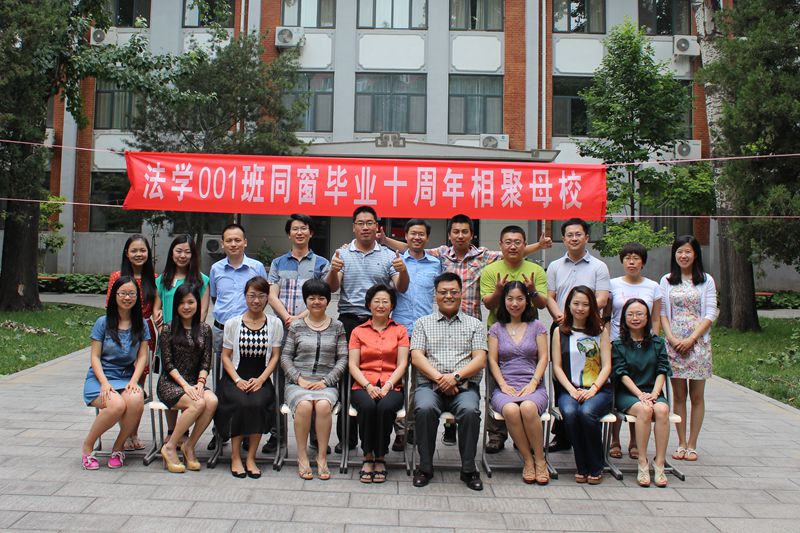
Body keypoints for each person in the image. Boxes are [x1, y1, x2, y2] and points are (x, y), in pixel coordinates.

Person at [382, 214, 551, 451]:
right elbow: (413, 246)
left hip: (470, 327)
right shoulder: (441, 254)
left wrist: (538, 246)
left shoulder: (483, 256)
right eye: (456, 232)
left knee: (467, 377)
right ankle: (416, 428)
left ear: (472, 234)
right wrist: (385, 240)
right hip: (441, 326)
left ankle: (471, 427)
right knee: (426, 378)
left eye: (465, 232)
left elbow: (512, 250)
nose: (460, 236)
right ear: (449, 235)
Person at [326, 206, 409, 453]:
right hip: (349, 321)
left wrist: (403, 270)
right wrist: (333, 269)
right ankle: (347, 438)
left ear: (377, 227)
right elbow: (332, 288)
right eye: (360, 223)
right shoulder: (342, 253)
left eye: (370, 223)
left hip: (380, 323)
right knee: (347, 378)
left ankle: (377, 438)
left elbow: (401, 287)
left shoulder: (388, 255)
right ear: (354, 227)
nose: (365, 227)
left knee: (379, 372)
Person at [410, 272, 487, 491]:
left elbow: (480, 359)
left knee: (470, 411)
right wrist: (440, 379)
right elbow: (417, 357)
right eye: (443, 292)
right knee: (424, 408)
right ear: (435, 295)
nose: (448, 296)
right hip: (429, 386)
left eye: (454, 291)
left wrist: (455, 378)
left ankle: (469, 469)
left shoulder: (475, 324)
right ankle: (424, 467)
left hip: (464, 387)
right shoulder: (422, 323)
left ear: (461, 294)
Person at [266, 213, 330, 454]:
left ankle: (315, 436)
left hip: (311, 329)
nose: (300, 232)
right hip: (283, 329)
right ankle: (277, 435)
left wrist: (300, 318)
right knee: (280, 381)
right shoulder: (278, 263)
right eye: (295, 229)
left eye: (304, 228)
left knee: (311, 377)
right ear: (289, 233)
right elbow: (272, 294)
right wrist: (287, 318)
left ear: (311, 233)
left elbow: (322, 296)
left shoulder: (321, 263)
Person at [545, 218, 610, 453]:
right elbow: (550, 296)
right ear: (563, 239)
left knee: (588, 372)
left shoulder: (599, 267)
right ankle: (563, 435)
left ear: (586, 237)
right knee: (561, 378)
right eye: (569, 235)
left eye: (578, 234)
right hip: (562, 327)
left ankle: (587, 424)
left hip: (590, 329)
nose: (574, 238)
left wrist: (582, 314)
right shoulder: (554, 266)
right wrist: (561, 317)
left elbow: (602, 298)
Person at [207, 223, 268, 451]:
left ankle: (246, 432)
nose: (233, 244)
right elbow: (215, 298)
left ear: (245, 242)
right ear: (222, 244)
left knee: (246, 381)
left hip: (249, 332)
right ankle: (219, 432)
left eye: (237, 240)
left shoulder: (256, 267)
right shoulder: (216, 269)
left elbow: (263, 296)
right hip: (222, 330)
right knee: (221, 384)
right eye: (229, 240)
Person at [214, 276, 282, 479]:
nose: (256, 300)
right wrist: (237, 380)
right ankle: (235, 456)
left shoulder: (274, 323)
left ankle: (251, 457)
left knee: (258, 403)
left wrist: (261, 380)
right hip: (235, 377)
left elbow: (275, 356)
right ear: (245, 297)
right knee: (241, 402)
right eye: (252, 295)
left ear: (267, 298)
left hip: (260, 378)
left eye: (261, 296)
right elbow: (226, 356)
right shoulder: (233, 323)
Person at [281, 279, 348, 480]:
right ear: (305, 301)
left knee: (322, 405)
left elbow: (343, 358)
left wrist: (327, 381)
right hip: (298, 383)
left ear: (328, 301)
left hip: (326, 383)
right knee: (304, 406)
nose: (316, 302)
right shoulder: (296, 327)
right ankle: (302, 456)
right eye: (312, 298)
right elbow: (286, 357)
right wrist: (298, 379)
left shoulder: (337, 326)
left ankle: (321, 457)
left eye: (321, 298)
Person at [660, 235, 718, 463]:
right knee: (678, 395)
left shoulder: (706, 280)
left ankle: (693, 444)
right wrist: (671, 338)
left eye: (688, 252)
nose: (683, 256)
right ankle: (681, 442)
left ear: (695, 254)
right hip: (674, 344)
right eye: (679, 251)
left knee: (696, 396)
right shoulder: (666, 280)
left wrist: (692, 338)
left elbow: (710, 313)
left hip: (698, 344)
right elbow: (662, 313)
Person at [81, 276, 149, 470]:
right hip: (100, 378)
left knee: (135, 399)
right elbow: (95, 357)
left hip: (126, 377)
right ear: (115, 296)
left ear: (137, 297)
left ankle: (118, 448)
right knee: (117, 405)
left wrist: (134, 381)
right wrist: (104, 383)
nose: (127, 297)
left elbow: (142, 357)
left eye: (131, 293)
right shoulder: (103, 322)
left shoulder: (141, 324)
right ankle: (87, 447)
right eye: (123, 293)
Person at [487, 281, 550, 484]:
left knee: (528, 408)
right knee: (511, 410)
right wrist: (503, 385)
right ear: (504, 301)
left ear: (527, 301)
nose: (515, 304)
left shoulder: (537, 326)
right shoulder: (496, 329)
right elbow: (492, 361)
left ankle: (540, 460)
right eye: (510, 299)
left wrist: (533, 383)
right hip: (505, 387)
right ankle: (527, 460)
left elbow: (543, 357)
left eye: (520, 299)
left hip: (533, 385)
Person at [388, 218, 441, 452]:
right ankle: (399, 430)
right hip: (398, 329)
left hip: (424, 331)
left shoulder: (436, 264)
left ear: (427, 238)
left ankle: (412, 427)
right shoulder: (396, 261)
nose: (417, 237)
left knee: (420, 383)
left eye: (421, 234)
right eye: (413, 234)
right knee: (398, 381)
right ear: (406, 236)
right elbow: (396, 288)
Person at [348, 284, 409, 484]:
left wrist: (388, 385)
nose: (381, 305)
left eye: (385, 302)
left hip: (392, 385)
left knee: (385, 407)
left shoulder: (400, 330)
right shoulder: (358, 331)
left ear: (392, 306)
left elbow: (402, 364)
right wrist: (368, 386)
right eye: (377, 301)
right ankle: (367, 456)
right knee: (367, 406)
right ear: (369, 304)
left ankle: (380, 456)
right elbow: (353, 365)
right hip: (363, 385)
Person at [607, 242, 662, 460]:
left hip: (643, 345)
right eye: (627, 258)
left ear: (643, 262)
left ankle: (634, 441)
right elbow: (607, 316)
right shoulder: (612, 284)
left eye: (636, 258)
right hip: (617, 344)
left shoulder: (653, 286)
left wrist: (653, 343)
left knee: (638, 387)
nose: (631, 262)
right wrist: (607, 342)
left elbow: (655, 318)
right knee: (616, 390)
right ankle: (614, 439)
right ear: (622, 261)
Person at [552, 286, 612, 485]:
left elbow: (607, 365)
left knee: (587, 413)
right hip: (570, 390)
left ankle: (596, 465)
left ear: (592, 307)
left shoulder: (601, 331)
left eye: (585, 304)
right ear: (568, 305)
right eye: (576, 303)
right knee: (570, 413)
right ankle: (582, 465)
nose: (580, 308)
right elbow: (557, 367)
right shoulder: (560, 331)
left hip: (599, 390)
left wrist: (593, 389)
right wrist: (571, 390)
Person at [156, 284, 218, 473]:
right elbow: (168, 364)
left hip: (194, 382)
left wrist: (200, 383)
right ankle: (170, 446)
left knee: (212, 401)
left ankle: (189, 445)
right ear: (176, 305)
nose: (186, 306)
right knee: (198, 404)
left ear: (197, 303)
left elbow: (206, 362)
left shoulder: (205, 329)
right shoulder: (167, 329)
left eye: (190, 302)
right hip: (170, 383)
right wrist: (186, 386)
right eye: (182, 303)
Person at [105, 234, 157, 452]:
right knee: (121, 384)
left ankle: (133, 432)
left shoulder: (154, 278)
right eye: (134, 250)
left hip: (144, 336)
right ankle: (125, 433)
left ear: (148, 253)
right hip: (121, 333)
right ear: (126, 253)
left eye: (142, 250)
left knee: (137, 387)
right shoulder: (117, 276)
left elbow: (157, 308)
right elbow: (109, 306)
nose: (138, 254)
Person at [613, 299, 672, 487]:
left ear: (647, 317)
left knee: (662, 410)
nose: (635, 318)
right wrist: (640, 394)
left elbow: (662, 370)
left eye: (640, 314)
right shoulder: (618, 344)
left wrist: (654, 393)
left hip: (653, 391)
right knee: (645, 410)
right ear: (624, 318)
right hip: (628, 394)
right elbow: (621, 374)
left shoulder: (657, 343)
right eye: (630, 314)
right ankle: (642, 461)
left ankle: (659, 462)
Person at [153, 234, 210, 327]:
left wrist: (192, 333)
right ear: (172, 252)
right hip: (167, 333)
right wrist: (162, 331)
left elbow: (203, 311)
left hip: (191, 333)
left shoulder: (202, 280)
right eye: (178, 251)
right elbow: (156, 309)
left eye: (187, 252)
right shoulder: (162, 279)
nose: (183, 256)